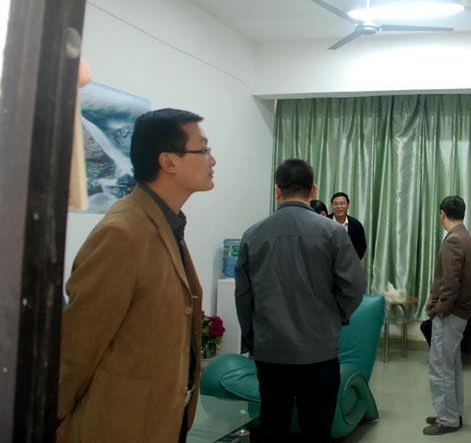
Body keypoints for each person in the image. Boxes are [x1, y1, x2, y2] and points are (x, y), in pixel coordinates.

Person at [58, 108, 216, 443]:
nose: (212, 160)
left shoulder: (165, 222)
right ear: (168, 162)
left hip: (160, 420)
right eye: (203, 149)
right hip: (118, 425)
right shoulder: (123, 233)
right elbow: (77, 346)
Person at [236, 159, 366, 443]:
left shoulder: (252, 235)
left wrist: (254, 340)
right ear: (313, 189)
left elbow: (244, 297)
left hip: (270, 351)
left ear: (277, 190)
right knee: (316, 431)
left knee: (272, 428)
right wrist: (335, 317)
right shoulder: (332, 232)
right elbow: (354, 287)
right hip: (319, 351)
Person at [423, 196, 471, 436]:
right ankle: (453, 412)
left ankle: (447, 419)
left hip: (451, 313)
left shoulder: (453, 240)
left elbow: (450, 283)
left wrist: (439, 309)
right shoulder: (464, 236)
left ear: (442, 214)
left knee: (441, 367)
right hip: (460, 312)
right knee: (452, 366)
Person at [330, 191, 367, 259]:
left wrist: (351, 261)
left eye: (342, 203)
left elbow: (361, 247)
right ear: (332, 206)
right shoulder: (325, 221)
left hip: (349, 262)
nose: (339, 207)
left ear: (348, 206)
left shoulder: (356, 225)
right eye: (336, 204)